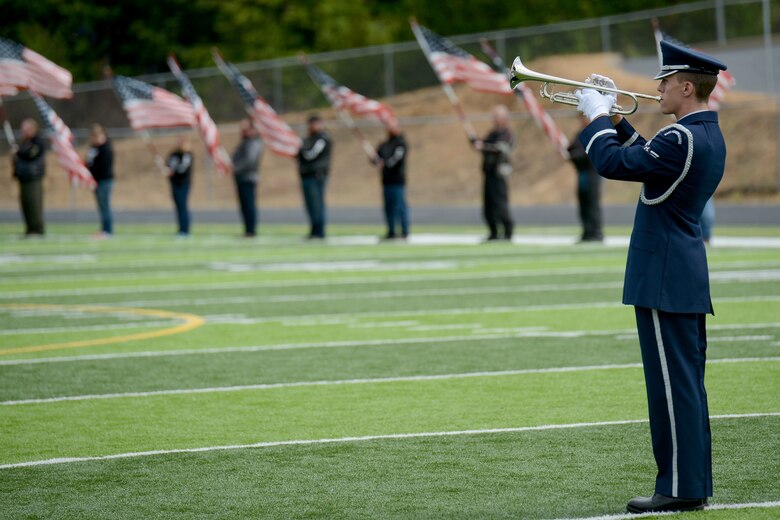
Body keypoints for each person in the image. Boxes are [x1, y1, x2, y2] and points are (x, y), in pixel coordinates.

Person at [574, 40, 727, 514]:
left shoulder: (681, 137)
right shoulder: (702, 134)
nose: (657, 88)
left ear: (686, 86)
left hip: (663, 274)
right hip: (679, 272)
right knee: (683, 384)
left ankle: (679, 487)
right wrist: (619, 120)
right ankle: (690, 482)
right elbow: (651, 162)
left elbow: (614, 164)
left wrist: (596, 118)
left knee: (670, 387)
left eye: (665, 81)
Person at [471, 105, 514, 241]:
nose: (494, 120)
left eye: (496, 117)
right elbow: (484, 144)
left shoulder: (507, 134)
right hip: (488, 172)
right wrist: (475, 141)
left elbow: (499, 149)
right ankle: (493, 231)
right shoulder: (492, 133)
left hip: (499, 173)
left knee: (500, 203)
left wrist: (483, 146)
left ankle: (507, 231)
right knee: (488, 205)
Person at [568, 115, 604, 242]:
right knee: (583, 203)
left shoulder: (594, 133)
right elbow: (571, 149)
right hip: (582, 173)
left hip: (592, 173)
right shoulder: (580, 134)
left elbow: (586, 154)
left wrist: (573, 155)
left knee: (592, 202)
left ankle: (596, 232)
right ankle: (587, 231)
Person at [297, 114, 332, 239]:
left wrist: (301, 149)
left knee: (317, 204)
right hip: (306, 175)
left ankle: (319, 231)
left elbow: (310, 154)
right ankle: (313, 230)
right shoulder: (308, 140)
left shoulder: (322, 139)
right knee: (310, 205)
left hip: (317, 176)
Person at [373, 120, 409, 240]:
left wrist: (385, 164)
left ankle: (404, 230)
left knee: (399, 206)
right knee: (388, 207)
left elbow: (395, 159)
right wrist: (374, 158)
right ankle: (391, 230)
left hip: (397, 180)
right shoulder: (384, 144)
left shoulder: (401, 143)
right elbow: (376, 159)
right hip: (386, 180)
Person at [11, 119, 46, 237]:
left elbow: (30, 155)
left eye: (25, 129)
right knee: (25, 204)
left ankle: (37, 229)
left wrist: (18, 152)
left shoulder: (37, 142)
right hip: (23, 177)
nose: (23, 131)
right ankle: (30, 228)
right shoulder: (24, 142)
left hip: (33, 176)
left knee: (34, 203)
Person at [231, 119, 263, 237]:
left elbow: (250, 160)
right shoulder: (244, 142)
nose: (243, 132)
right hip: (241, 178)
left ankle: (251, 229)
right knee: (244, 205)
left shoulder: (253, 143)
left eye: (245, 129)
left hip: (248, 178)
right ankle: (247, 229)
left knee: (249, 205)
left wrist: (236, 168)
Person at [85, 124, 114, 238]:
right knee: (101, 207)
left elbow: (102, 167)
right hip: (96, 181)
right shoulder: (93, 149)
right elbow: (89, 162)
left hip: (104, 181)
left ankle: (107, 230)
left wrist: (92, 171)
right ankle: (104, 229)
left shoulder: (106, 149)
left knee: (105, 206)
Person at [166, 136, 193, 237]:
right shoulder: (174, 154)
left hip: (183, 184)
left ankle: (185, 229)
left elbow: (183, 168)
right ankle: (180, 228)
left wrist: (174, 172)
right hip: (174, 184)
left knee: (183, 206)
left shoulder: (187, 154)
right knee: (178, 207)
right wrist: (168, 170)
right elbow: (169, 164)